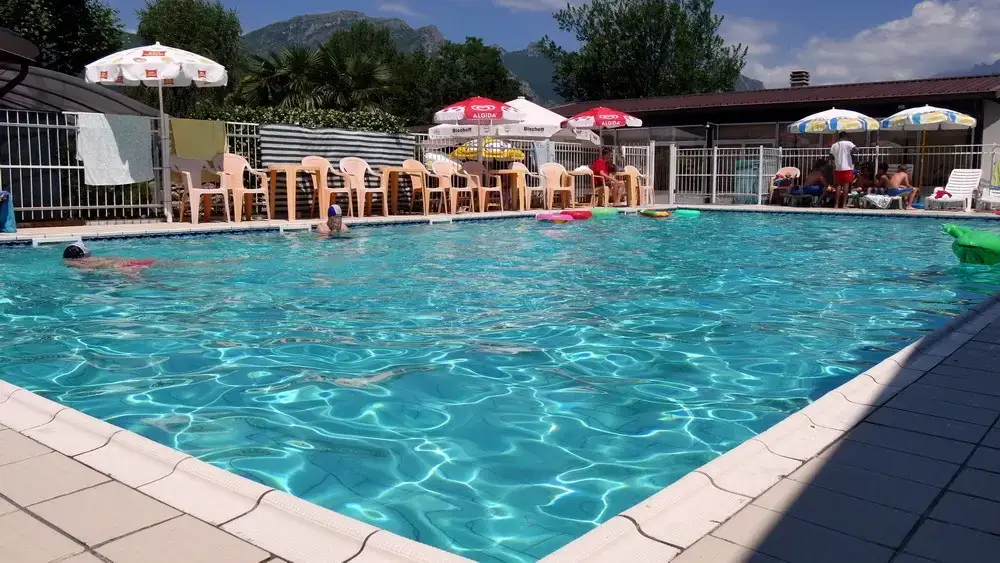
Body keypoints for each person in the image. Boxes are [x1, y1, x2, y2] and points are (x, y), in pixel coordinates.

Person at [62, 242, 157, 271]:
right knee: (157, 263)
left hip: (120, 267)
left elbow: (87, 268)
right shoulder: (92, 258)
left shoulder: (71, 262)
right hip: (128, 262)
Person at [829, 132, 857, 208]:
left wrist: (837, 157)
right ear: (846, 137)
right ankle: (844, 205)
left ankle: (836, 204)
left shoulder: (834, 145)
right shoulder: (848, 143)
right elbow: (856, 150)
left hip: (838, 168)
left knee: (838, 186)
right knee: (846, 187)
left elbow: (830, 157)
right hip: (847, 168)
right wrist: (850, 153)